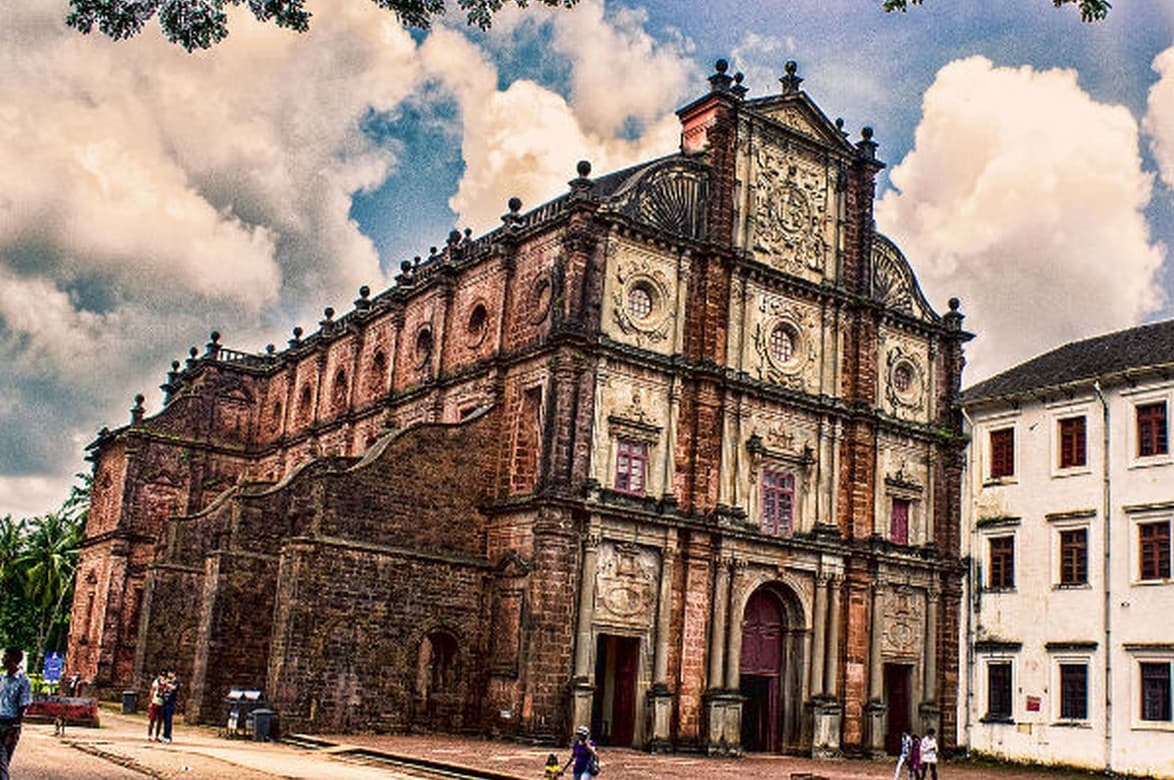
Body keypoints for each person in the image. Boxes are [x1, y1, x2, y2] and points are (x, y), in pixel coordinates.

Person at [0, 647, 33, 780]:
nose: (3, 659)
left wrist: (15, 728)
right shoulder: (2, 678)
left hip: (10, 724)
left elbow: (23, 705)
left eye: (5, 656)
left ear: (14, 659)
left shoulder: (23, 681)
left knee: (4, 761)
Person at [161, 671, 179, 743]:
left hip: (170, 704)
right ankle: (164, 734)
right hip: (165, 702)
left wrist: (167, 684)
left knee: (168, 720)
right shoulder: (168, 681)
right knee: (164, 720)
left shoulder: (175, 682)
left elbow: (174, 688)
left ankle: (168, 736)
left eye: (170, 673)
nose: (168, 675)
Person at [147, 672, 166, 741]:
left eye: (164, 676)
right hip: (155, 702)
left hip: (161, 703)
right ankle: (150, 735)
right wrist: (150, 701)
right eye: (161, 676)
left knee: (160, 721)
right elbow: (152, 691)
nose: (162, 677)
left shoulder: (166, 684)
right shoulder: (156, 682)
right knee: (152, 719)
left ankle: (157, 736)